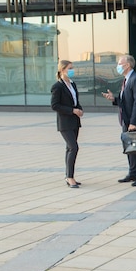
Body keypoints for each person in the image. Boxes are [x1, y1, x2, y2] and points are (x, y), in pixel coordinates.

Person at [102, 55, 136, 186]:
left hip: (133, 121)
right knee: (130, 148)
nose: (118, 66)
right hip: (126, 119)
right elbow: (125, 101)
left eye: (120, 64)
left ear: (127, 65)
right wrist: (114, 99)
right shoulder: (126, 80)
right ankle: (133, 172)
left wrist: (134, 122)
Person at [51, 60, 84, 188]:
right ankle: (70, 177)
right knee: (73, 147)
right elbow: (55, 105)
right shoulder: (57, 86)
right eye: (70, 68)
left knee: (69, 148)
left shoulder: (72, 84)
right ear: (62, 70)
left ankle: (69, 175)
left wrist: (79, 109)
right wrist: (72, 110)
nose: (72, 70)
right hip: (64, 122)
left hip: (74, 121)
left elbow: (75, 101)